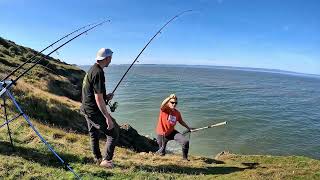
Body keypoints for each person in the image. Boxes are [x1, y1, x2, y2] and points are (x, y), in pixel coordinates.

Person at [81, 48, 119, 168]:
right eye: (110, 58)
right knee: (113, 133)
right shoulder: (98, 73)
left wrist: (106, 96)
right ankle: (106, 161)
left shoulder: (92, 69)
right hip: (93, 110)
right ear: (106, 58)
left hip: (86, 108)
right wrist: (107, 117)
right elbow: (98, 99)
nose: (111, 61)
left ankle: (97, 158)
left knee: (93, 134)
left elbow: (95, 93)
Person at [155, 94, 193, 160]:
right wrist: (169, 97)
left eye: (175, 103)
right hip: (162, 135)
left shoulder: (177, 113)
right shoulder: (164, 109)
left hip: (172, 132)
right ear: (168, 103)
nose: (174, 104)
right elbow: (162, 104)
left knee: (185, 142)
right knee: (161, 153)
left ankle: (185, 159)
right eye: (172, 102)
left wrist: (188, 128)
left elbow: (181, 121)